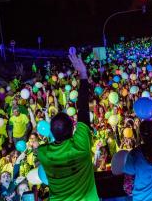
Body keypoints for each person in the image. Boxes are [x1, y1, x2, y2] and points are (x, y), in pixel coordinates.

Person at [37, 51, 99, 201]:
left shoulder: (43, 153)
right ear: (73, 127)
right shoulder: (81, 144)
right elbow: (83, 108)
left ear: (51, 132)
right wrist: (83, 74)